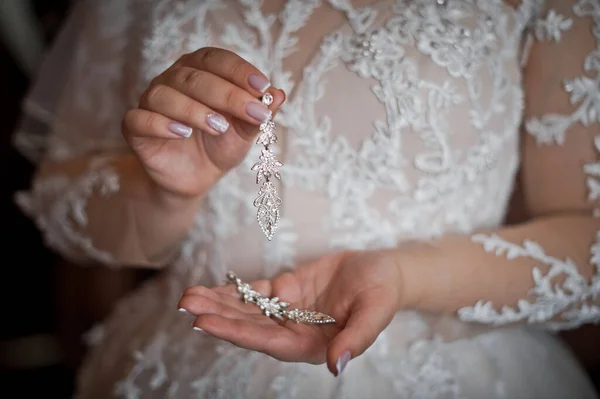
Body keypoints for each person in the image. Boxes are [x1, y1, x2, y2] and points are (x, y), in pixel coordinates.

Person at [13, 0, 600, 397]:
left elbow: (587, 232)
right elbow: (67, 198)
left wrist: (402, 276)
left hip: (460, 367)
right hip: (190, 349)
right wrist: (165, 192)